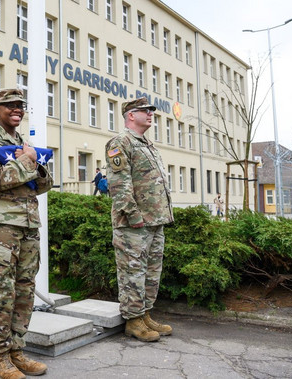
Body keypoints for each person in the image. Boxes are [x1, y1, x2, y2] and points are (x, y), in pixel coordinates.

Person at [0, 88, 53, 379]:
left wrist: (32, 161)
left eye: (21, 106)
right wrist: (28, 162)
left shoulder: (24, 143)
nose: (17, 110)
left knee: (24, 292)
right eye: (11, 106)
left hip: (29, 227)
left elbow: (44, 185)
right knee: (1, 294)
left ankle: (17, 350)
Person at [105, 97, 174, 343]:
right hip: (133, 224)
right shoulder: (120, 142)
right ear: (131, 115)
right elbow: (119, 185)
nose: (150, 114)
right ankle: (133, 321)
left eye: (150, 110)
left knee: (151, 273)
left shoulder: (147, 144)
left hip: (155, 221)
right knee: (132, 272)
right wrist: (134, 217)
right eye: (145, 111)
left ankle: (145, 314)